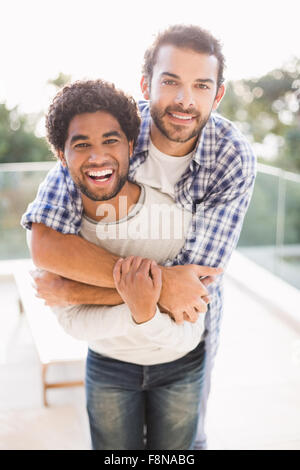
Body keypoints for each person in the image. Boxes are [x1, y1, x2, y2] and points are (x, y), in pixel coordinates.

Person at [22, 24, 256, 449]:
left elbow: (193, 291)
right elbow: (46, 241)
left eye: (201, 85)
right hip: (111, 352)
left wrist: (74, 288)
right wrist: (158, 285)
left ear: (217, 95)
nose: (185, 99)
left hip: (186, 346)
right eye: (171, 81)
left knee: (183, 448)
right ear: (146, 83)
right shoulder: (109, 132)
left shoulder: (232, 157)